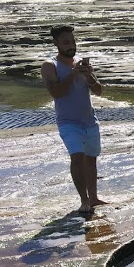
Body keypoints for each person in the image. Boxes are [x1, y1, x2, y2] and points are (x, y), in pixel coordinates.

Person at [40, 25, 106, 215]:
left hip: (89, 120)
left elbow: (99, 90)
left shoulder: (79, 63)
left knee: (91, 158)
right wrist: (73, 74)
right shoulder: (49, 65)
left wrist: (88, 75)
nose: (71, 46)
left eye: (73, 41)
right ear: (56, 43)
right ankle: (84, 200)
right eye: (66, 42)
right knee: (77, 157)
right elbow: (55, 93)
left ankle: (93, 198)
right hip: (68, 122)